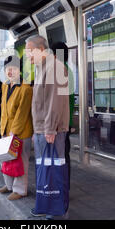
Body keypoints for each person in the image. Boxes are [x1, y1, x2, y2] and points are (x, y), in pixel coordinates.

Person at [26, 35, 70, 219]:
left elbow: (55, 101)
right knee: (45, 169)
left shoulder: (55, 67)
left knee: (53, 170)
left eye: (30, 51)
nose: (27, 55)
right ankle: (45, 206)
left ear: (42, 50)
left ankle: (55, 211)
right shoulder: (43, 67)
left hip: (49, 130)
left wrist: (50, 129)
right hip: (42, 128)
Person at [0, 56, 33, 201]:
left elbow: (22, 113)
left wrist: (14, 132)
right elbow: (3, 108)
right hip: (5, 130)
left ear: (19, 70)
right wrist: (3, 129)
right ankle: (9, 185)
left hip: (21, 132)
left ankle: (20, 190)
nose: (9, 72)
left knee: (21, 161)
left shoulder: (26, 88)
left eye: (13, 68)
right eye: (7, 69)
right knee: (5, 159)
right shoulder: (5, 85)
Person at [50, 42, 74, 188]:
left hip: (61, 121)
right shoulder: (66, 70)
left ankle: (62, 188)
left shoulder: (60, 71)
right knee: (63, 154)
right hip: (65, 119)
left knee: (61, 156)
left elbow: (57, 100)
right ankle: (63, 186)